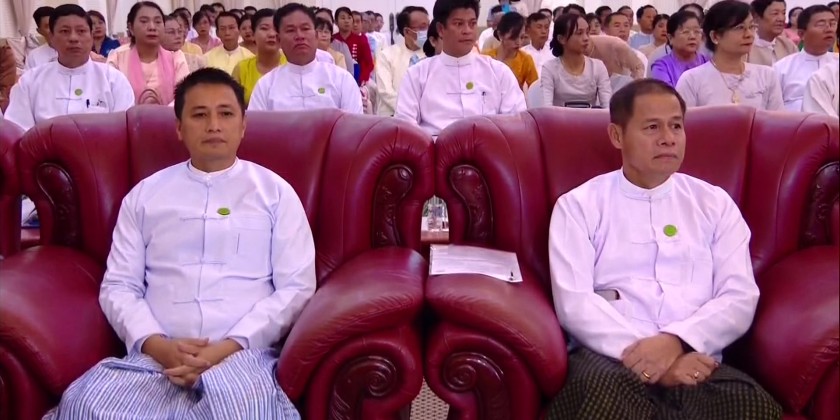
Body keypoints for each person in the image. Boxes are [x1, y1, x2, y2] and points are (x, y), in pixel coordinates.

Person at [43, 67, 313, 420]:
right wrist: (158, 346)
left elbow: (296, 287)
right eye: (199, 115)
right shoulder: (144, 196)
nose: (213, 125)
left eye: (226, 114)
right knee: (84, 405)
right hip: (154, 357)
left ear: (243, 125)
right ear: (179, 128)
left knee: (243, 412)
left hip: (243, 356)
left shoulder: (275, 193)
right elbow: (119, 286)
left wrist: (226, 348)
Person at [546, 78, 783, 420]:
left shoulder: (714, 204)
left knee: (752, 406)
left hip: (695, 356)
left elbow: (738, 295)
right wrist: (650, 357)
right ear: (617, 136)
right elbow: (575, 303)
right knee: (600, 400)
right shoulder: (579, 206)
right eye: (652, 127)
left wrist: (676, 342)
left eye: (676, 126)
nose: (668, 138)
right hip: (610, 358)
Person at [395, 0, 526, 137]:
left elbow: (516, 125)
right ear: (440, 29)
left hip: (488, 147)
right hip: (434, 147)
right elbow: (406, 129)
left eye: (472, 23)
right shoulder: (417, 75)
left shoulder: (499, 72)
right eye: (459, 24)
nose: (467, 31)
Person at [5, 4, 134, 132]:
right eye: (64, 31)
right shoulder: (30, 82)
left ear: (91, 36)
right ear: (52, 37)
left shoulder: (113, 80)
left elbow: (123, 130)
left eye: (81, 31)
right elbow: (17, 131)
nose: (73, 38)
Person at [248, 4, 362, 114]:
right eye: (290, 30)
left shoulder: (341, 79)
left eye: (305, 28)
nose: (300, 36)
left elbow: (353, 124)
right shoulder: (266, 86)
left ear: (316, 36)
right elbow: (256, 126)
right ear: (279, 39)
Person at [676, 0, 783, 110]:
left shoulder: (767, 76)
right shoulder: (692, 80)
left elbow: (777, 119)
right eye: (740, 28)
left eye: (751, 27)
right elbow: (684, 120)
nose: (749, 34)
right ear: (715, 36)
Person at [107, 2, 190, 105]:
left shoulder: (176, 58)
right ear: (131, 28)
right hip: (126, 115)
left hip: (170, 115)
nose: (152, 27)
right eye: (144, 21)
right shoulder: (117, 58)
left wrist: (161, 113)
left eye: (157, 22)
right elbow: (111, 99)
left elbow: (184, 97)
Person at [773, 5, 839, 111]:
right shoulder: (782, 68)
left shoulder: (837, 62)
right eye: (821, 24)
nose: (829, 29)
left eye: (833, 24)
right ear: (802, 34)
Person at [542, 14, 611, 108]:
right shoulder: (549, 68)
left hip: (590, 117)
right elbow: (546, 108)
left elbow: (607, 107)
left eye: (587, 32)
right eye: (579, 33)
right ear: (561, 39)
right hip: (559, 118)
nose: (586, 38)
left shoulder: (598, 66)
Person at [375, 6, 429, 116]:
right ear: (407, 31)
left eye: (429, 26)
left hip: (427, 116)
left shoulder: (433, 55)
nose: (427, 32)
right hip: (393, 115)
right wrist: (409, 110)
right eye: (422, 28)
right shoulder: (386, 55)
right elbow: (386, 92)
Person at [232, 9, 287, 105]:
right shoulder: (242, 69)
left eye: (276, 29)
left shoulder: (292, 64)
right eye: (264, 28)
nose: (272, 34)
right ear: (253, 34)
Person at [651, 11, 709, 88]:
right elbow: (667, 94)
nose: (692, 37)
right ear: (670, 38)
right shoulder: (661, 67)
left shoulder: (709, 63)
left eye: (697, 31)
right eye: (686, 32)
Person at [485, 12, 539, 90]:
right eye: (513, 38)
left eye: (522, 37)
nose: (519, 42)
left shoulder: (525, 59)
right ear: (500, 35)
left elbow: (535, 88)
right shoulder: (487, 58)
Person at [747, 0, 798, 66]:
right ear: (756, 17)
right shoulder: (746, 47)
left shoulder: (788, 45)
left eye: (783, 13)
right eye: (775, 13)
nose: (781, 19)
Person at [333, 7, 374, 84]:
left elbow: (368, 63)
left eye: (349, 18)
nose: (346, 21)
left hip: (357, 80)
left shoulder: (361, 40)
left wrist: (361, 79)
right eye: (343, 18)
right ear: (336, 22)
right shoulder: (332, 40)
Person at [25, 6, 58, 71]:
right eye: (47, 26)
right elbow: (28, 76)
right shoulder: (34, 56)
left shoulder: (74, 49)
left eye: (55, 24)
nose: (53, 29)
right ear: (39, 31)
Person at [522, 12, 554, 77]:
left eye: (546, 27)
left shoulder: (554, 53)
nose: (544, 31)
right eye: (539, 27)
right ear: (528, 30)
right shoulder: (521, 54)